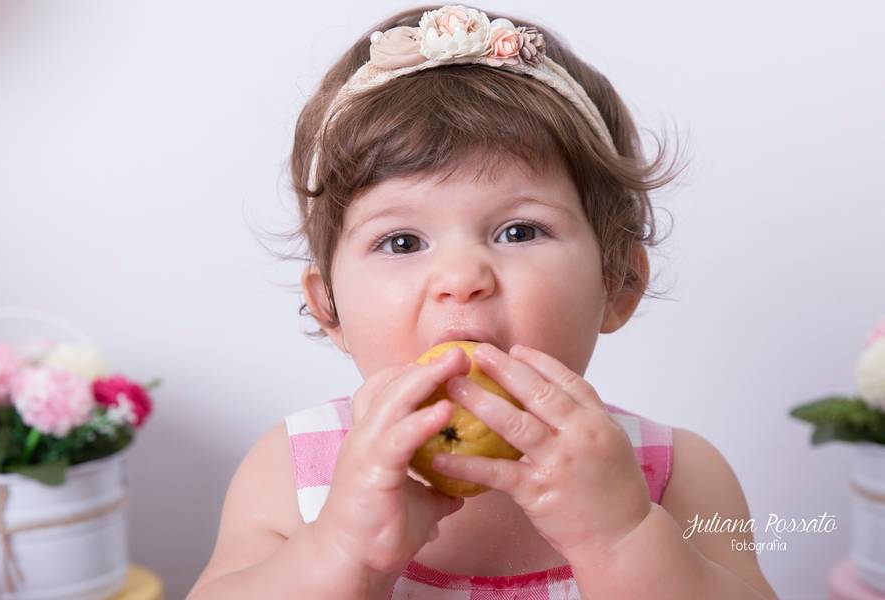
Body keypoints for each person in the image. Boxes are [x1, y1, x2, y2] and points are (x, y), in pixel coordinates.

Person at [188, 4, 778, 598]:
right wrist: (342, 549)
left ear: (618, 283)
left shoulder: (676, 476)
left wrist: (622, 537)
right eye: (402, 241)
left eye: (519, 231)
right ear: (330, 307)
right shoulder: (295, 471)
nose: (461, 277)